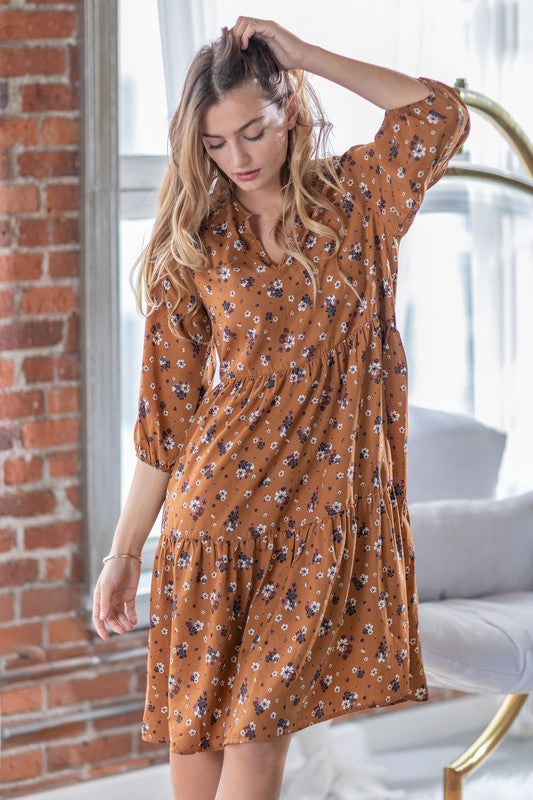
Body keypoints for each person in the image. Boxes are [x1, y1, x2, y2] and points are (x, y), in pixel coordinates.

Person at [92, 16, 470, 800]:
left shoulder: (356, 202)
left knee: (257, 737)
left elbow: (439, 115)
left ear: (289, 110)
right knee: (194, 733)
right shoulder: (195, 239)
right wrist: (123, 553)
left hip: (312, 525)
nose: (237, 158)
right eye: (215, 144)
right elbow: (166, 421)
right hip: (213, 517)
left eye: (253, 131)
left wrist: (301, 54)